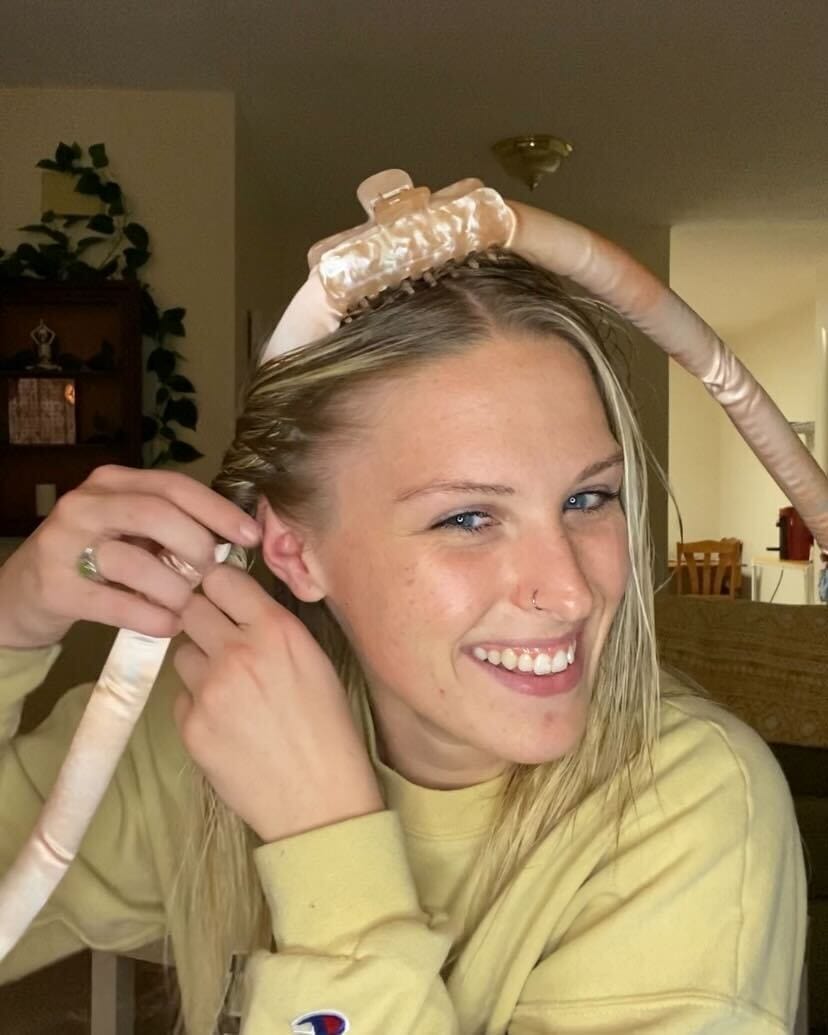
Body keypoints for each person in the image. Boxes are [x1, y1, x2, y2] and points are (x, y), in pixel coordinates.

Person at [0, 236, 806, 1030]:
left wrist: (327, 854)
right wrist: (13, 623)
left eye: (588, 499)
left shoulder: (694, 805)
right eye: (468, 518)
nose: (569, 590)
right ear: (295, 551)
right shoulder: (209, 740)